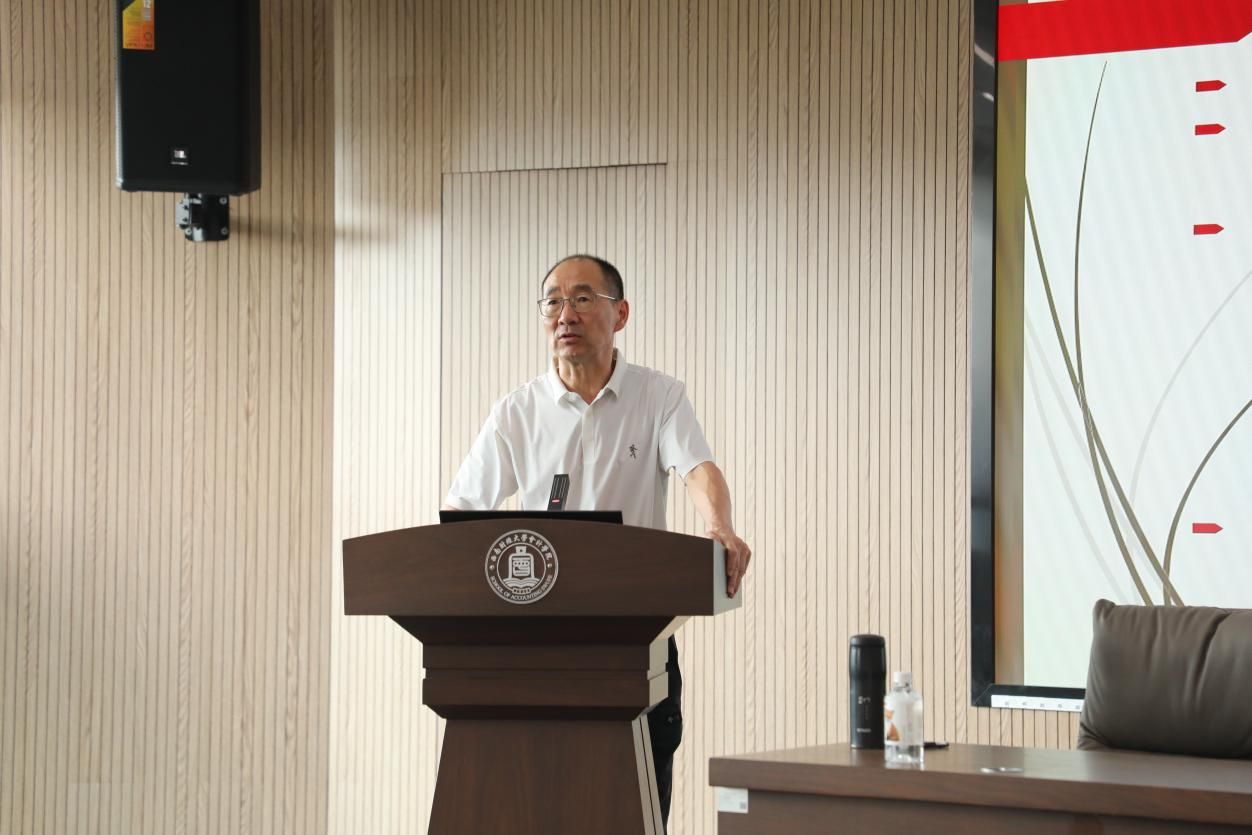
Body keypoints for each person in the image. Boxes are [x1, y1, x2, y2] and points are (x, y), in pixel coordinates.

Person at [442, 254, 752, 829]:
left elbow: (698, 469)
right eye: (553, 302)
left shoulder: (659, 396)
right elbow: (461, 512)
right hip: (537, 649)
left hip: (636, 644)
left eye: (583, 299)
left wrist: (720, 527)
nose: (566, 314)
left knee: (634, 814)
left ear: (620, 313)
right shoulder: (516, 412)